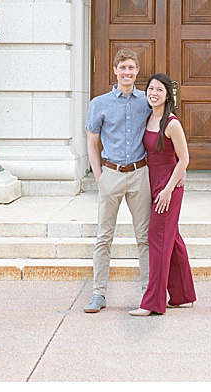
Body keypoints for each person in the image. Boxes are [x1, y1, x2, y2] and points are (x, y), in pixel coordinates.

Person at [83, 49, 151, 314]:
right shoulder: (99, 104)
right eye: (122, 67)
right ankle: (99, 293)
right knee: (104, 236)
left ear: (137, 71)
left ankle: (147, 292)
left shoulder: (147, 101)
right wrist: (99, 177)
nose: (127, 72)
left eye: (131, 68)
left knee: (144, 238)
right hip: (110, 173)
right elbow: (92, 143)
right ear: (115, 70)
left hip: (139, 174)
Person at [129, 72, 197, 316]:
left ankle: (152, 303)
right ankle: (182, 295)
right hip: (151, 183)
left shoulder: (172, 123)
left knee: (157, 241)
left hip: (168, 188)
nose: (153, 93)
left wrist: (169, 189)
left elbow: (184, 159)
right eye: (150, 89)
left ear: (168, 95)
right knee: (172, 239)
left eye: (159, 90)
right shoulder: (148, 118)